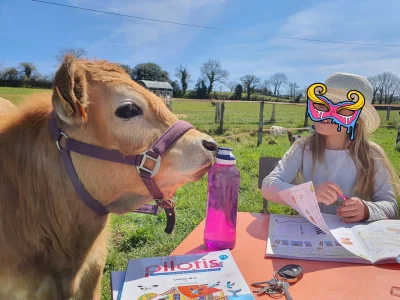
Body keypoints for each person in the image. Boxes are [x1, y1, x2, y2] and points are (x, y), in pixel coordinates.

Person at [262, 72, 400, 223]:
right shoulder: (303, 147)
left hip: (354, 239)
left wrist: (366, 210)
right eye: (321, 104)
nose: (326, 112)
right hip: (309, 234)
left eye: (341, 108)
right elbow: (269, 186)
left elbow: (391, 206)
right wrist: (308, 195)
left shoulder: (371, 155)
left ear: (357, 119)